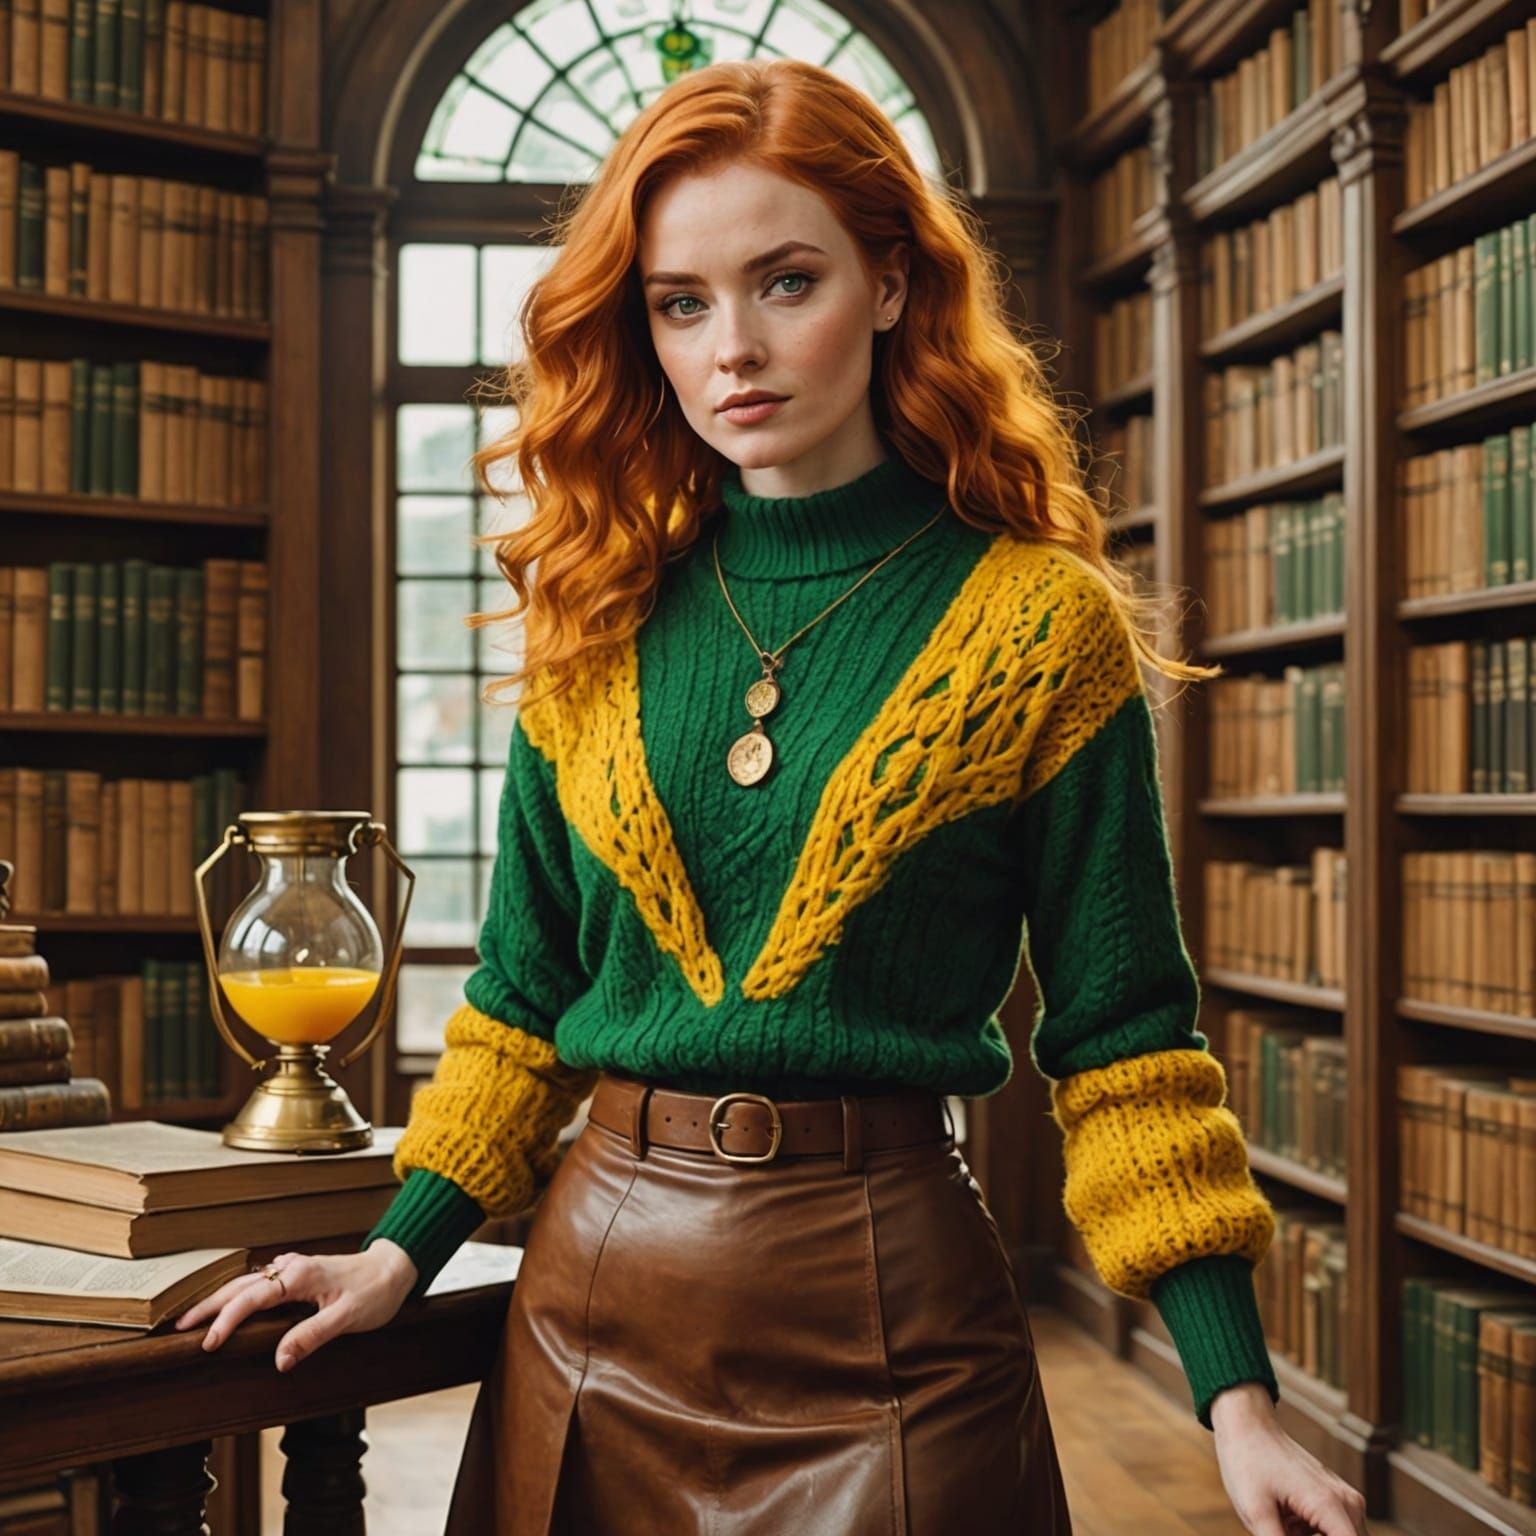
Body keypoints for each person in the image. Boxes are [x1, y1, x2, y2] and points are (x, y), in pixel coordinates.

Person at [176, 55, 1371, 1536]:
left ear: (891, 282)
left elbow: (1126, 1039)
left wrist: (1236, 1399)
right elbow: (522, 1004)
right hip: (594, 1302)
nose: (732, 347)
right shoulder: (596, 611)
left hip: (896, 1313)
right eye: (681, 304)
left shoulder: (1037, 625)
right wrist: (398, 1251)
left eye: (786, 282)